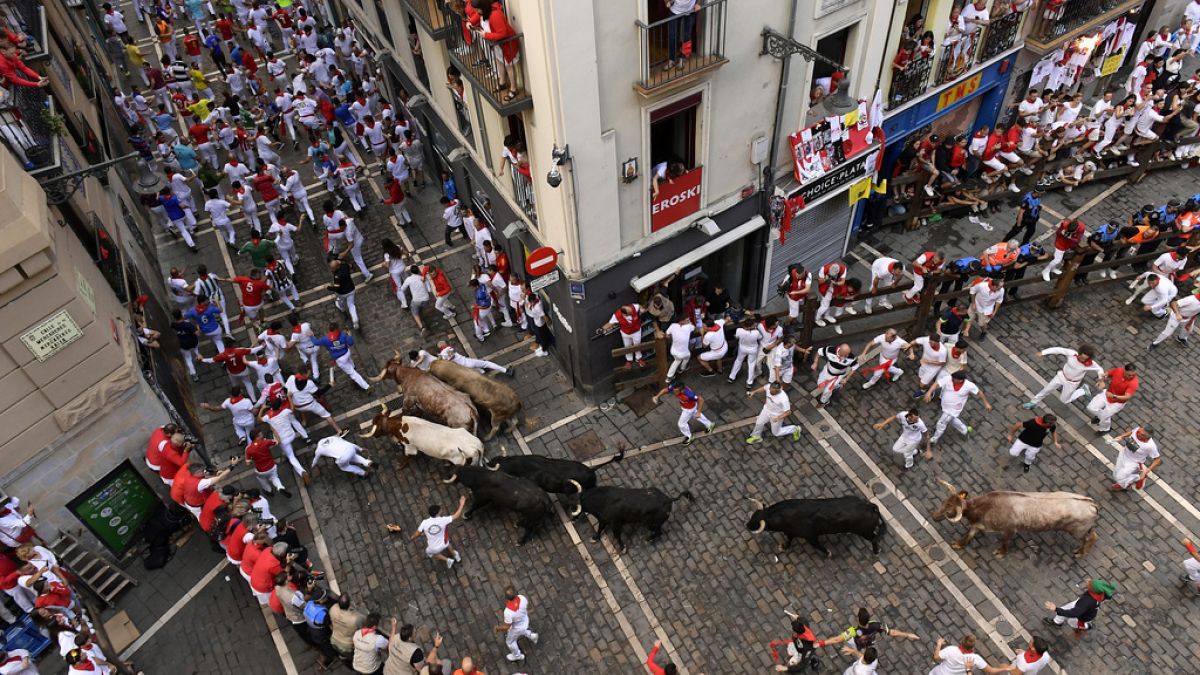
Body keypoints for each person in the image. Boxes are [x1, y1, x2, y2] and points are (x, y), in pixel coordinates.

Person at [1021, 344, 1104, 409]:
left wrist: (1101, 381)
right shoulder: (1071, 353)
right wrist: (1043, 352)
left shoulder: (1090, 364)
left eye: (1085, 359)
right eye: (1081, 357)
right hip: (1061, 376)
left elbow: (1100, 370)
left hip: (1072, 383)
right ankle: (1034, 402)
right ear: (1079, 353)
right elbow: (1058, 349)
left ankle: (1082, 390)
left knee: (1064, 400)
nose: (1082, 360)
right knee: (1047, 389)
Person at [925, 370, 992, 444]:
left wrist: (986, 403)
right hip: (945, 406)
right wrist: (929, 392)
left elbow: (979, 393)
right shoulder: (949, 378)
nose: (952, 379)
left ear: (960, 380)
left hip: (953, 409)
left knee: (941, 423)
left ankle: (934, 439)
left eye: (954, 379)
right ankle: (965, 430)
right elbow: (937, 384)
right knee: (951, 419)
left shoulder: (969, 385)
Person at [407, 496, 467, 569]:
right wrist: (461, 504)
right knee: (447, 543)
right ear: (437, 514)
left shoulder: (424, 523)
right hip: (444, 543)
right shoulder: (443, 520)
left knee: (430, 553)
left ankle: (447, 560)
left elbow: (417, 533)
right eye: (440, 510)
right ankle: (456, 556)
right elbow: (456, 515)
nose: (441, 510)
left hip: (434, 548)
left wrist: (412, 537)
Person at [651, 380, 715, 445]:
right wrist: (657, 397)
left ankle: (689, 437)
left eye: (676, 391)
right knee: (696, 415)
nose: (674, 392)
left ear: (682, 390)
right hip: (688, 406)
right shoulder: (674, 387)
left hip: (689, 409)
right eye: (674, 390)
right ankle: (710, 425)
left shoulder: (690, 395)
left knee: (681, 424)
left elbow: (701, 399)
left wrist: (698, 411)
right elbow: (665, 390)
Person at [1042, 578, 1115, 632]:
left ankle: (1087, 626)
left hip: (1082, 616)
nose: (1088, 580)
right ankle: (1057, 622)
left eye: (1090, 583)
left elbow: (1074, 613)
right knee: (1064, 609)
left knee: (1071, 622)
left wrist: (1055, 609)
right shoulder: (1099, 593)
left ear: (1092, 589)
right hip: (1080, 605)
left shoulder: (1087, 601)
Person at [313, 322, 371, 391]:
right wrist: (349, 335)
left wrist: (311, 336)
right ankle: (353, 367)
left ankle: (366, 387)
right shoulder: (343, 335)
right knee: (349, 360)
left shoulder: (325, 339)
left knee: (353, 374)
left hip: (340, 359)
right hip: (346, 353)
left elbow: (315, 342)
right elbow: (351, 343)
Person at [1086, 364, 1138, 434]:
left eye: (1133, 375)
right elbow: (1107, 374)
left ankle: (1105, 429)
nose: (1131, 377)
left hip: (1117, 402)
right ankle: (1102, 417)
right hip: (1107, 394)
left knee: (1104, 418)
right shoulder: (1118, 370)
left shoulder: (1133, 383)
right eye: (1129, 375)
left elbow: (1127, 396)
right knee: (1091, 407)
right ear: (1124, 371)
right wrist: (1101, 381)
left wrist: (1114, 396)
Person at [1110, 426, 1161, 491]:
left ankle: (1137, 478)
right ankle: (1128, 482)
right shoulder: (1138, 430)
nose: (1138, 434)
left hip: (1134, 462)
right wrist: (1122, 436)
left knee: (1120, 477)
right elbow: (1131, 432)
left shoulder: (1150, 446)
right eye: (1139, 432)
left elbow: (1157, 460)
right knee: (1115, 474)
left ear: (1148, 437)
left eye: (1142, 435)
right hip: (1123, 454)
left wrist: (1146, 471)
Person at [244, 429, 292, 497]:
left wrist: (253, 458)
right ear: (257, 436)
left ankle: (269, 491)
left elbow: (248, 463)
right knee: (275, 478)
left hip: (260, 470)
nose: (262, 435)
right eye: (261, 434)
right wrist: (275, 431)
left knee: (262, 480)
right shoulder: (266, 442)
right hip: (271, 466)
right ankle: (280, 487)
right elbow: (278, 441)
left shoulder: (248, 449)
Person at [495, 586, 538, 662]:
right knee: (524, 629)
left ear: (506, 598)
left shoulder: (508, 612)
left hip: (517, 628)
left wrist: (497, 628)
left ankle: (517, 655)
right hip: (525, 620)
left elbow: (506, 627)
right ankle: (532, 636)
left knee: (510, 642)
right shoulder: (522, 598)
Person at [928, 634, 1005, 674]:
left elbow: (936, 657)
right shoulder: (974, 659)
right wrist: (1005, 668)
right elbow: (991, 671)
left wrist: (939, 644)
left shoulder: (951, 649)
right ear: (972, 648)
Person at [811, 343, 858, 407]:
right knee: (820, 383)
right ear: (840, 351)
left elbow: (855, 367)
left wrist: (847, 378)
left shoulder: (851, 358)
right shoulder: (830, 350)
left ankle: (824, 402)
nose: (847, 355)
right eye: (845, 354)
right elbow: (819, 352)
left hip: (838, 376)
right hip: (826, 371)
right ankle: (838, 386)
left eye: (848, 353)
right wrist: (815, 362)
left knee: (827, 391)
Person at [602, 303, 646, 369]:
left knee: (637, 345)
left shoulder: (633, 307)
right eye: (630, 313)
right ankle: (629, 360)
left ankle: (639, 358)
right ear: (625, 314)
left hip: (636, 331)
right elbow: (610, 323)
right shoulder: (617, 316)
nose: (632, 313)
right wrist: (602, 329)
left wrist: (642, 309)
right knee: (627, 346)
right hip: (626, 333)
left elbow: (639, 306)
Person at [909, 332, 948, 397]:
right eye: (930, 342)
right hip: (923, 365)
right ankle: (930, 384)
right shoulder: (926, 340)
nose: (929, 344)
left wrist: (928, 362)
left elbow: (942, 363)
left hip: (932, 369)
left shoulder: (943, 351)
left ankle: (923, 391)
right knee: (921, 377)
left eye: (932, 343)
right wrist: (911, 353)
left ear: (938, 342)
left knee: (922, 384)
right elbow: (912, 342)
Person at [728, 318, 763, 388]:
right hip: (753, 349)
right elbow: (760, 337)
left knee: (738, 361)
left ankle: (731, 377)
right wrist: (755, 329)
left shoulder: (739, 330)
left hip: (742, 348)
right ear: (750, 326)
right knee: (751, 364)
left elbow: (736, 337)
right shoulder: (756, 332)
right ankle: (749, 382)